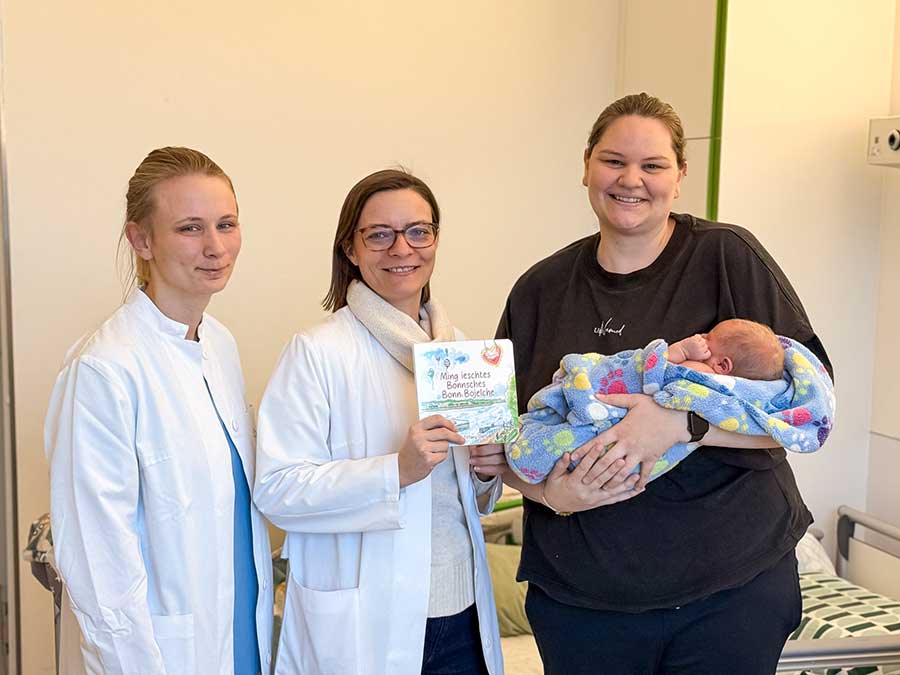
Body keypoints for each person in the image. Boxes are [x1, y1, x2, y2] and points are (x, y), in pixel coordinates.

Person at [497, 93, 833, 674]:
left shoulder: (727, 257)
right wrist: (550, 494)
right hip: (581, 598)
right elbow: (502, 440)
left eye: (653, 165)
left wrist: (686, 423)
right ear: (585, 166)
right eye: (613, 160)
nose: (632, 180)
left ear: (680, 176)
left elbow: (805, 416)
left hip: (729, 592)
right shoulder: (538, 291)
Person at [254, 169, 506, 675]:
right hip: (366, 621)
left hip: (463, 615)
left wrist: (484, 471)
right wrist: (397, 470)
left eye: (418, 231)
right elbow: (277, 491)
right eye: (379, 234)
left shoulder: (464, 351)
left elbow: (469, 500)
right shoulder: (317, 352)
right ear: (351, 248)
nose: (402, 249)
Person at [44, 147, 273, 674]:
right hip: (165, 657)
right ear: (141, 239)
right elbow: (99, 570)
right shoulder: (104, 370)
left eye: (226, 223)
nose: (215, 247)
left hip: (241, 642)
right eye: (190, 228)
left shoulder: (220, 345)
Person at [507, 318, 833, 486]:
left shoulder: (702, 375)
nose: (700, 337)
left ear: (722, 366)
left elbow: (662, 380)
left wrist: (678, 351)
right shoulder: (746, 391)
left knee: (577, 433)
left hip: (611, 415)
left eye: (708, 339)